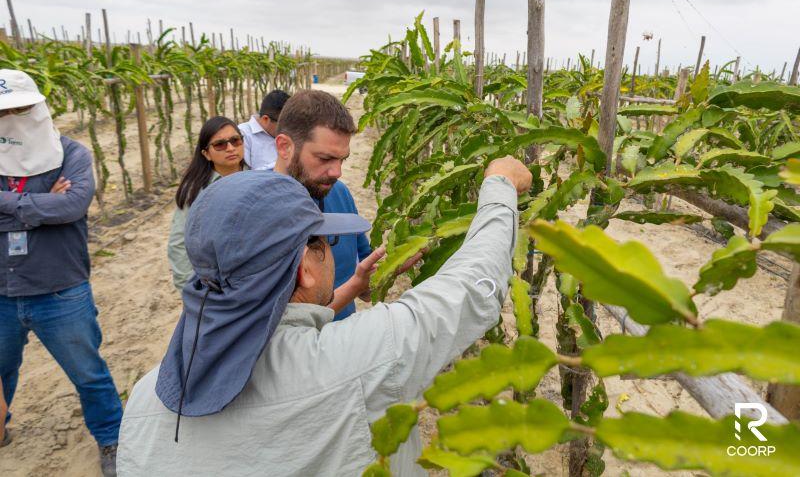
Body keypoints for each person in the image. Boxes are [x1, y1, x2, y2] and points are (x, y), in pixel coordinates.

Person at [117, 157, 531, 475]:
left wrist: (349, 289)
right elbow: (474, 286)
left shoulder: (145, 399)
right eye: (325, 240)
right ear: (304, 267)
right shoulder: (364, 359)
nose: (333, 250)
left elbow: (271, 334)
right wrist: (500, 186)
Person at [0, 69, 121, 476]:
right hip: (2, 289)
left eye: (19, 109)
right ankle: (1, 425)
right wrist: (39, 207)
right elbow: (54, 210)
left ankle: (112, 439)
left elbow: (71, 207)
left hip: (60, 289)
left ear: (37, 109)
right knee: (1, 372)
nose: (11, 117)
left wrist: (11, 207)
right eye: (3, 111)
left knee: (88, 372)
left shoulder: (70, 154)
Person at [274, 89, 419, 320]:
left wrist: (390, 267)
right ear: (284, 147)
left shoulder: (338, 192)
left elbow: (365, 288)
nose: (337, 172)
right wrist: (354, 285)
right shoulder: (258, 214)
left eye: (343, 159)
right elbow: (279, 326)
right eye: (325, 159)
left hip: (343, 340)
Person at [168, 116, 247, 291]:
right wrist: (187, 288)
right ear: (206, 154)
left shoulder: (256, 176)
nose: (231, 148)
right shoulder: (197, 190)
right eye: (220, 144)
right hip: (216, 280)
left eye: (236, 140)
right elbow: (179, 241)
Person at [238, 89, 290, 170]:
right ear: (265, 119)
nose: (287, 128)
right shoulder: (243, 134)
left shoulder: (289, 133)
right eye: (283, 124)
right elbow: (245, 175)